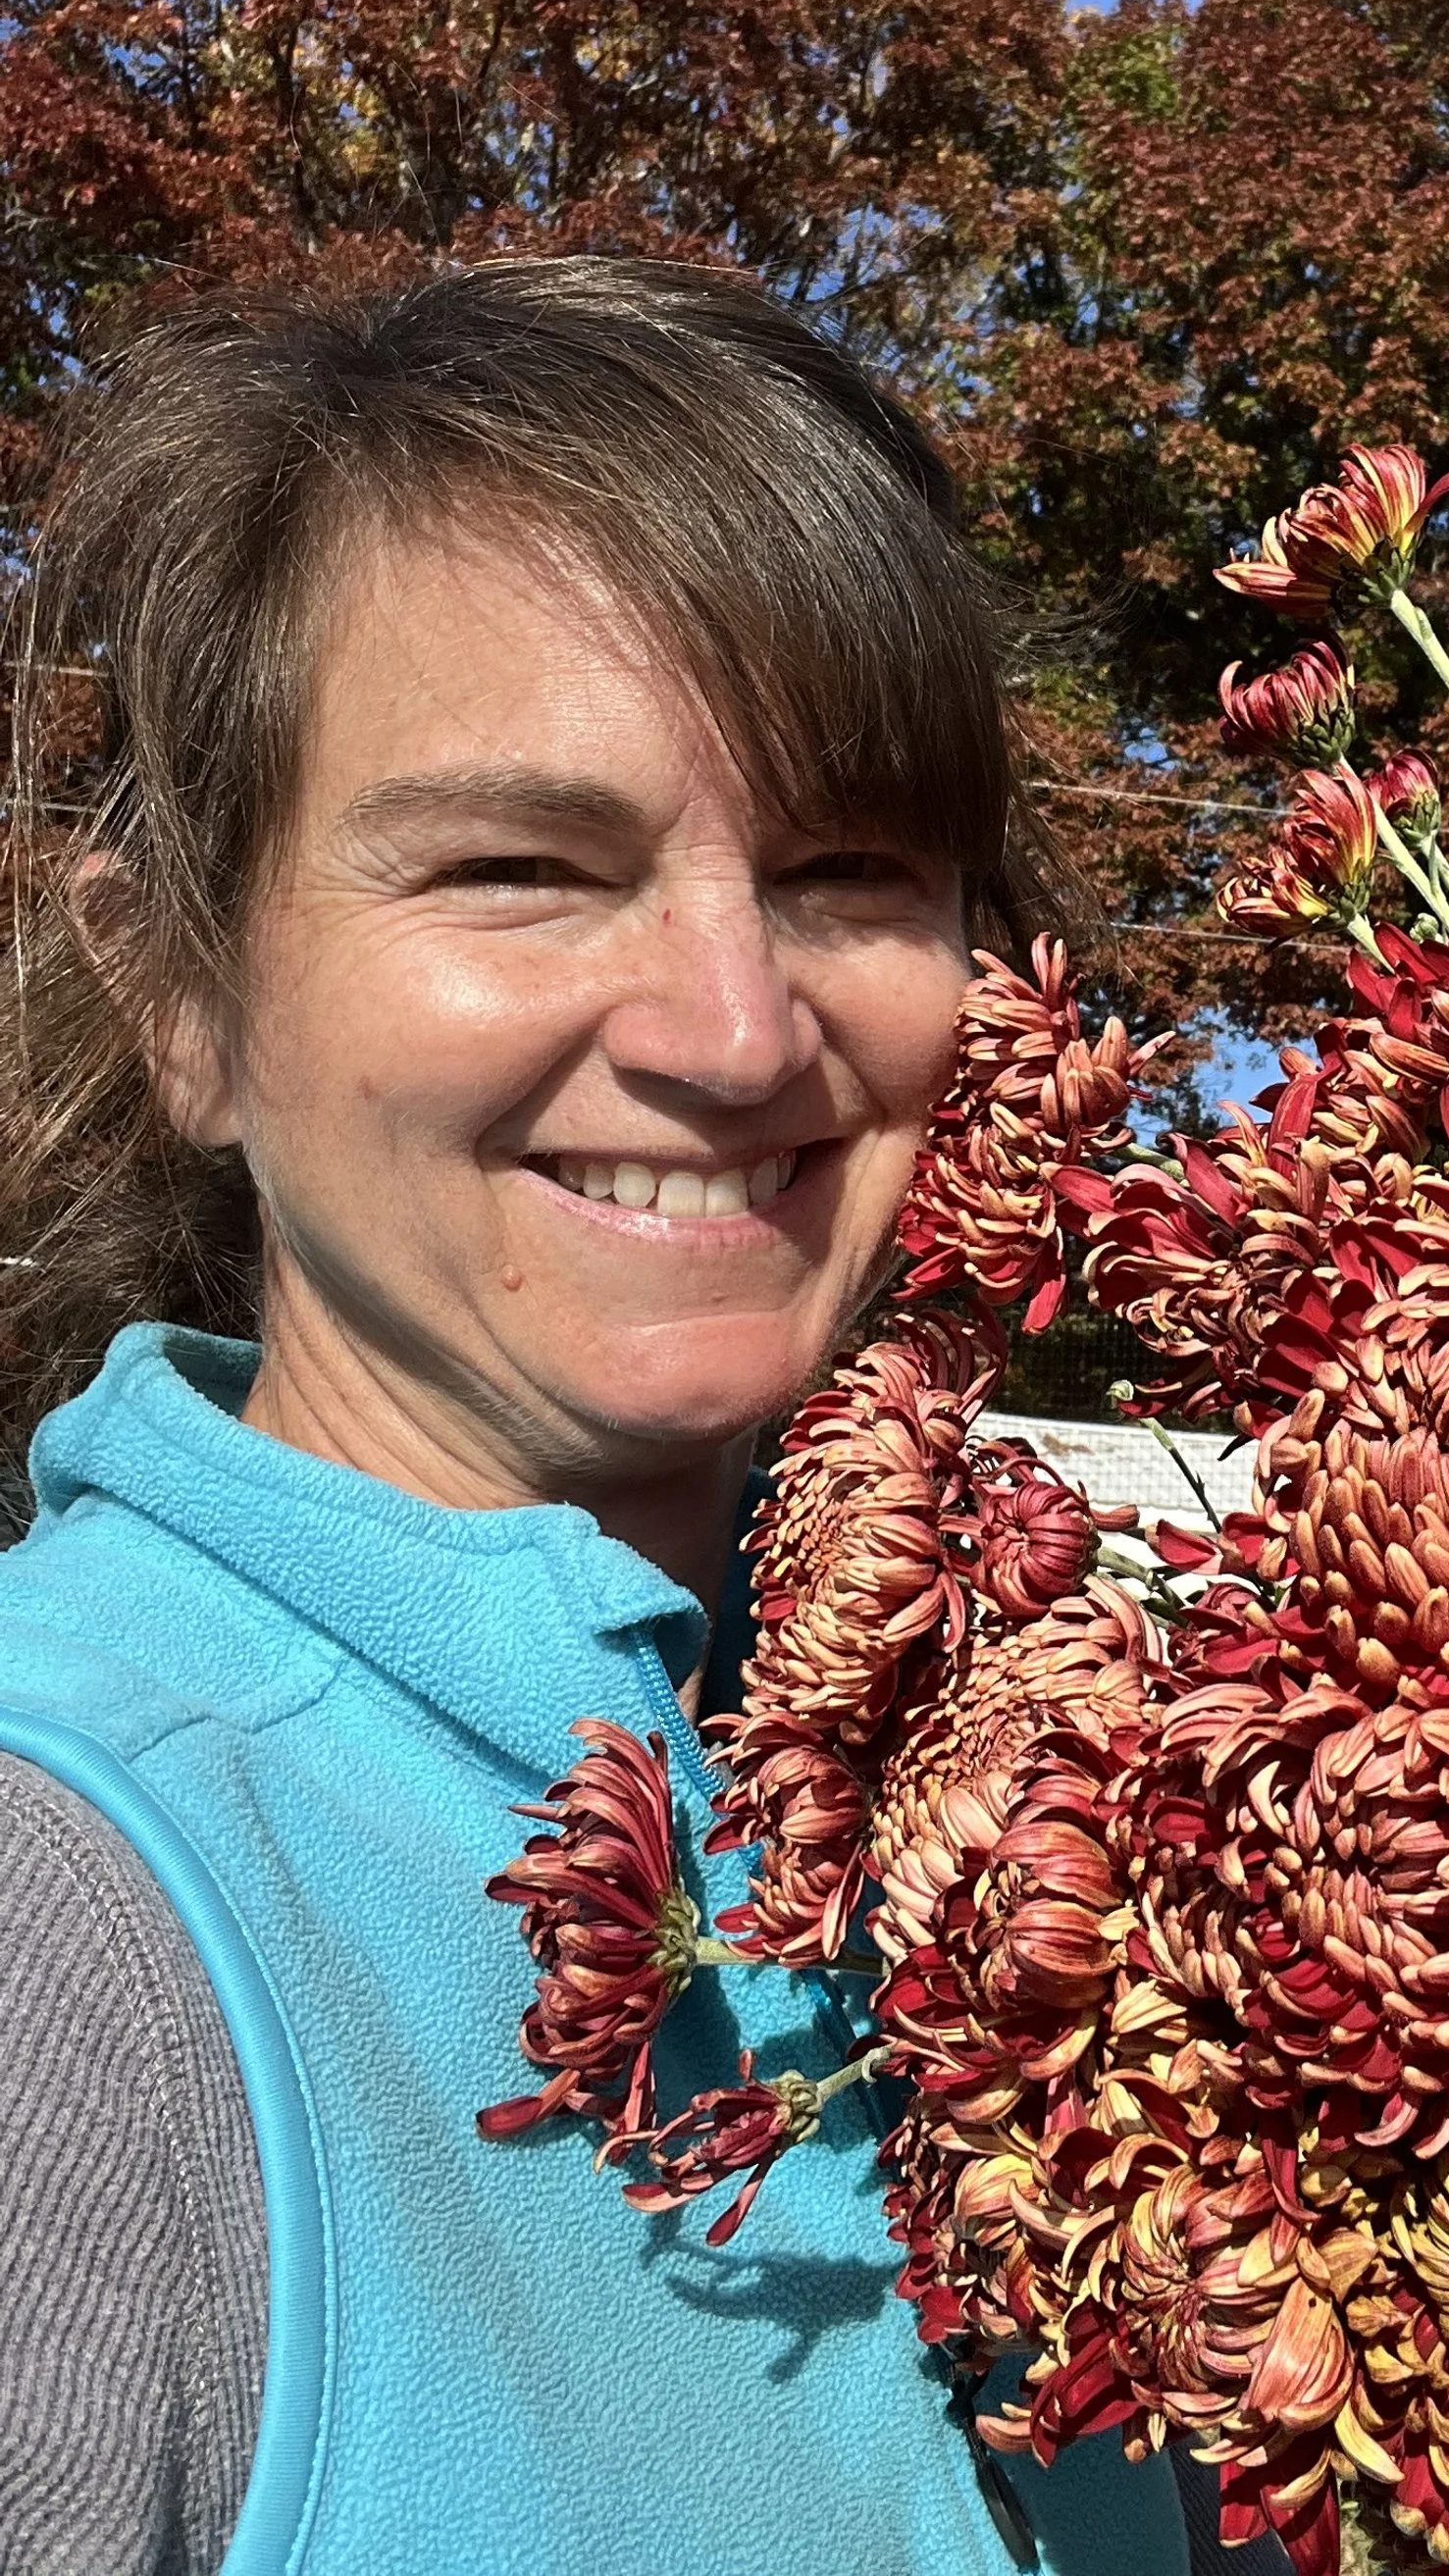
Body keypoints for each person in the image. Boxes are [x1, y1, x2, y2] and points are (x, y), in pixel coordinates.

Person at [0, 260, 1225, 2576]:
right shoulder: (61, 1920)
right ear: (175, 995)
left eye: (845, 869)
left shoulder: (1062, 1789)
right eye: (521, 870)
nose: (738, 1032)